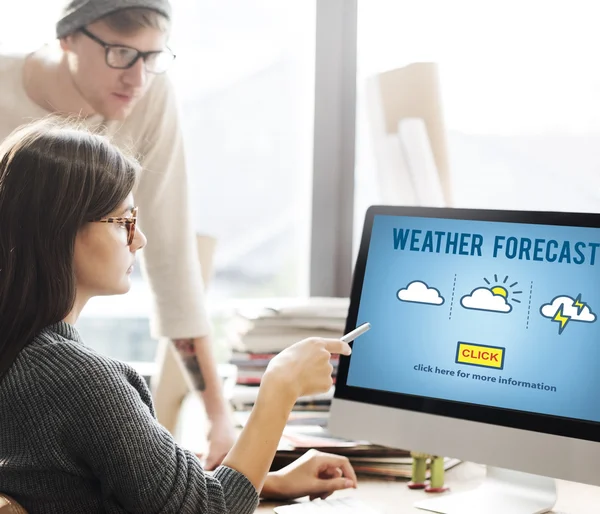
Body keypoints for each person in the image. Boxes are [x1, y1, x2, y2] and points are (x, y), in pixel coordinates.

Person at [0, 118, 357, 513]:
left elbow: (95, 489)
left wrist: (266, 482)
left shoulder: (23, 357)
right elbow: (208, 510)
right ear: (60, 231)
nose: (140, 239)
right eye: (124, 222)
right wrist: (280, 388)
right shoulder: (79, 381)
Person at [0, 0, 236, 468]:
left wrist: (218, 417)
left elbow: (170, 257)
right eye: (121, 54)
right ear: (67, 37)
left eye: (153, 57)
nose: (138, 78)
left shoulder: (150, 94)